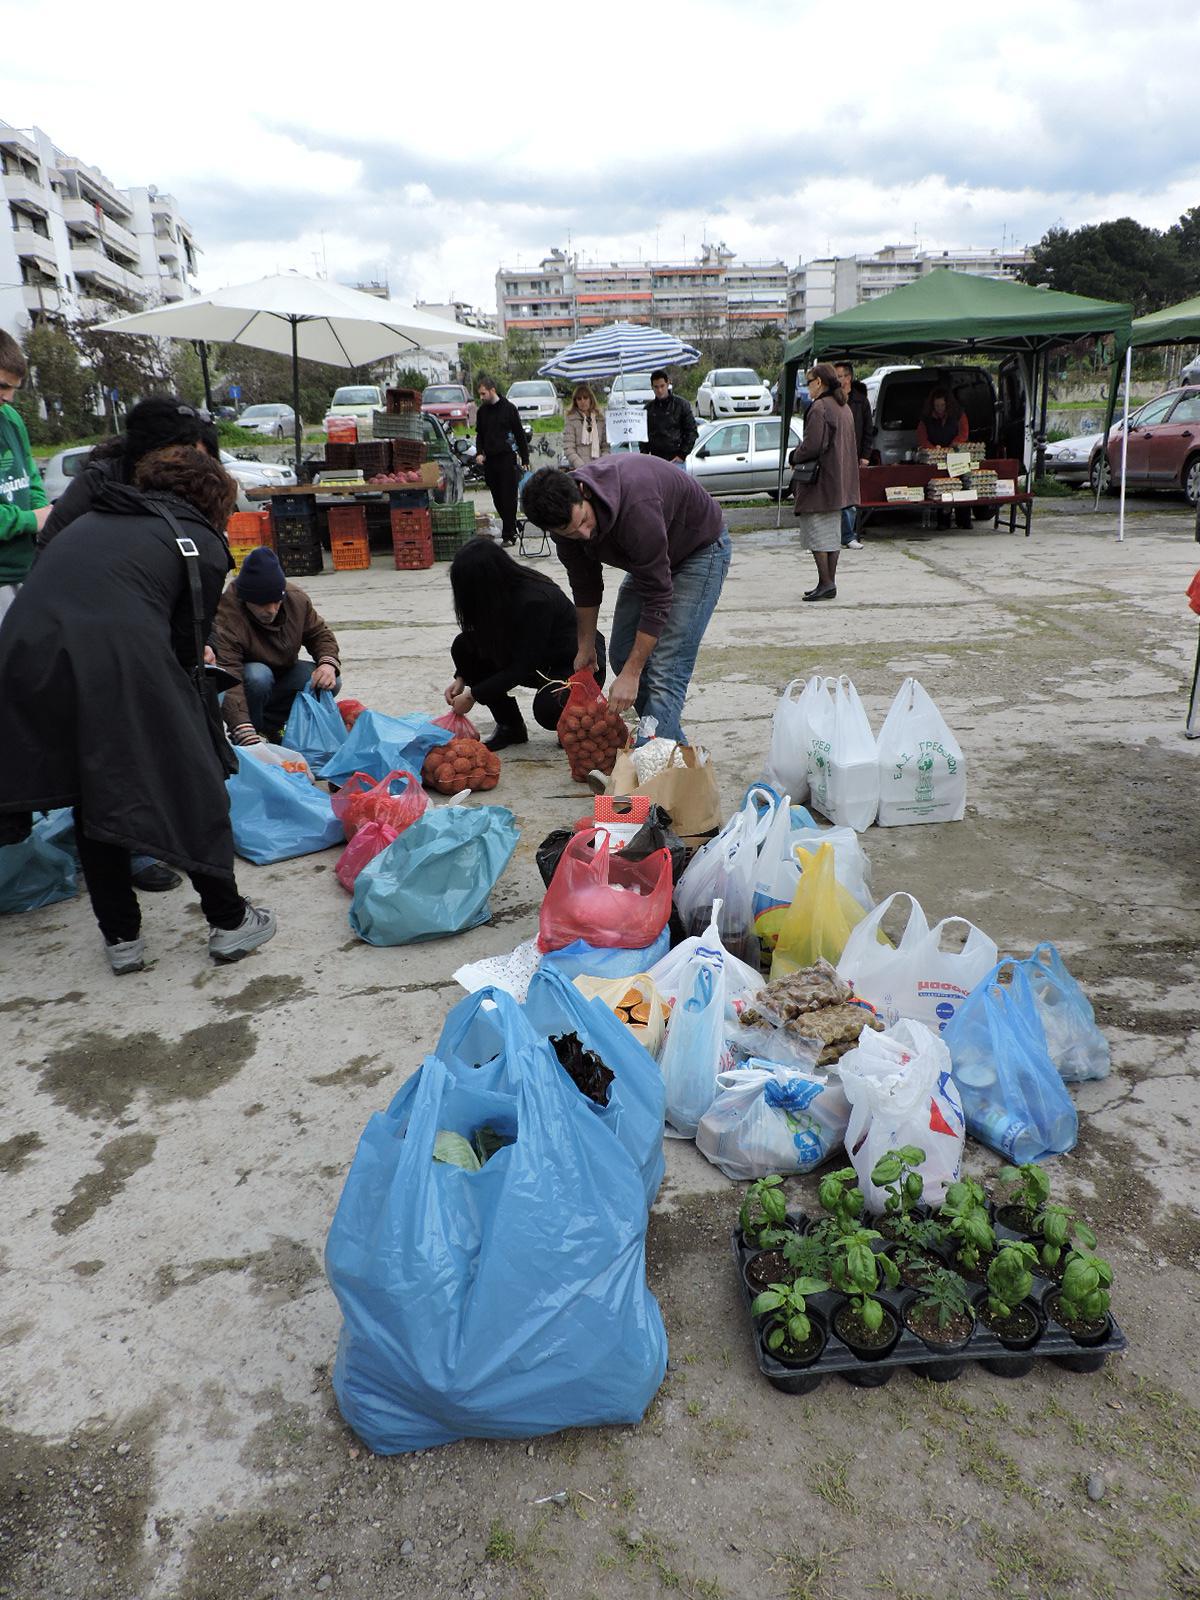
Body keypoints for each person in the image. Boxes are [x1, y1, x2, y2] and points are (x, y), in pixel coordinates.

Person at [0, 446, 275, 974]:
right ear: (213, 501)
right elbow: (185, 651)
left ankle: (122, 940)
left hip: (25, 660)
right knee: (195, 779)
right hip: (111, 661)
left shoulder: (92, 518)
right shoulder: (199, 542)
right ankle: (230, 921)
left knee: (91, 790)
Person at [38, 393, 224, 893]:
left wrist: (191, 640)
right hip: (93, 642)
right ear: (160, 451)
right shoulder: (102, 484)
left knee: (150, 758)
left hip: (144, 633)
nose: (196, 461)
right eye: (188, 449)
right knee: (111, 765)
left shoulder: (188, 504)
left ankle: (130, 909)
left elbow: (188, 586)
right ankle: (145, 860)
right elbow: (53, 556)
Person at [520, 455, 731, 746]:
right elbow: (585, 584)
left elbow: (659, 595)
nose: (584, 533)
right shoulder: (565, 527)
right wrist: (586, 646)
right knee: (621, 654)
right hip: (650, 561)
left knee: (664, 670)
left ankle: (650, 767)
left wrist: (633, 674)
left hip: (700, 550)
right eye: (570, 532)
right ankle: (668, 745)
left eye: (583, 520)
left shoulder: (635, 505)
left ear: (583, 492)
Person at [444, 537, 607, 751]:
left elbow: (521, 668)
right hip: (539, 661)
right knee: (464, 646)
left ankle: (577, 718)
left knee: (548, 710)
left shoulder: (534, 601)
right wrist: (462, 676)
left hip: (577, 664)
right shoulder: (498, 595)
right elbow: (485, 639)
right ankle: (510, 726)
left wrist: (473, 695)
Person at [38, 393, 221, 549]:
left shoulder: (186, 483)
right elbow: (51, 544)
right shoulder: (98, 483)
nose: (193, 463)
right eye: (184, 452)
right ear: (156, 451)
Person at [213, 547, 341, 744]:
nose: (270, 610)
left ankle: (274, 728)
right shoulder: (227, 616)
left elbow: (319, 634)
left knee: (328, 682)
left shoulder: (296, 600)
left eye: (276, 601)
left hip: (284, 675)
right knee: (258, 675)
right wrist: (241, 728)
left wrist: (328, 664)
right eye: (262, 604)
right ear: (246, 599)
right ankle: (253, 732)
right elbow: (229, 676)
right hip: (249, 682)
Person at [789, 363, 859, 602]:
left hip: (820, 481)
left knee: (816, 531)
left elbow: (812, 445)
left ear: (819, 382)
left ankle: (826, 582)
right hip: (839, 480)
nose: (807, 387)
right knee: (831, 532)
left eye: (809, 382)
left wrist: (793, 456)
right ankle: (827, 582)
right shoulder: (843, 406)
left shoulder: (819, 408)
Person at [0, 329, 51, 625]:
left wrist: (44, 513)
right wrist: (32, 519)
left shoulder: (11, 418)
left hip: (27, 571)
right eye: (2, 386)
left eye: (13, 389)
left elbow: (30, 476)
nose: (8, 397)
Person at [474, 375, 530, 545]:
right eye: (480, 395)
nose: (481, 397)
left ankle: (509, 535)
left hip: (507, 458)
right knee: (497, 498)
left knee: (509, 498)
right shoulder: (481, 411)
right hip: (490, 460)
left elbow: (520, 435)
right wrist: (479, 452)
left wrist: (525, 458)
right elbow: (480, 435)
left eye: (484, 394)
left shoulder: (509, 409)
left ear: (492, 390)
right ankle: (513, 525)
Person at [917, 387, 972, 528]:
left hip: (957, 457)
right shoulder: (926, 418)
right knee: (942, 488)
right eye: (937, 406)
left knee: (961, 486)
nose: (939, 408)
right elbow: (922, 438)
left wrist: (954, 445)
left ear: (947, 404)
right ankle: (943, 521)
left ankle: (964, 520)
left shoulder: (958, 414)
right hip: (937, 458)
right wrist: (933, 448)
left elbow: (964, 433)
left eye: (942, 405)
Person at [834, 362, 873, 550]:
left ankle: (849, 536)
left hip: (855, 455)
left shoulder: (861, 401)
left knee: (850, 498)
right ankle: (833, 535)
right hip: (835, 456)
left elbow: (868, 431)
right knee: (834, 497)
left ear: (848, 378)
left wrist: (866, 455)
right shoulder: (832, 400)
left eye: (839, 376)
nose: (837, 379)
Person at [640, 370, 697, 464]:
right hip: (655, 460)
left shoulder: (682, 405)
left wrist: (682, 455)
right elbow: (643, 437)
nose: (659, 390)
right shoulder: (648, 409)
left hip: (676, 458)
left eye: (662, 386)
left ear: (668, 384)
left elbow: (691, 432)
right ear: (652, 387)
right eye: (656, 387)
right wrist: (645, 456)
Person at [562, 384, 609, 469]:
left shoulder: (600, 419)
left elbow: (605, 446)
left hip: (599, 467)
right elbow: (568, 448)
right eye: (579, 399)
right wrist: (581, 466)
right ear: (575, 401)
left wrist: (602, 463)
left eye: (585, 398)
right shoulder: (571, 420)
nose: (582, 401)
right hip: (579, 468)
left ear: (591, 399)